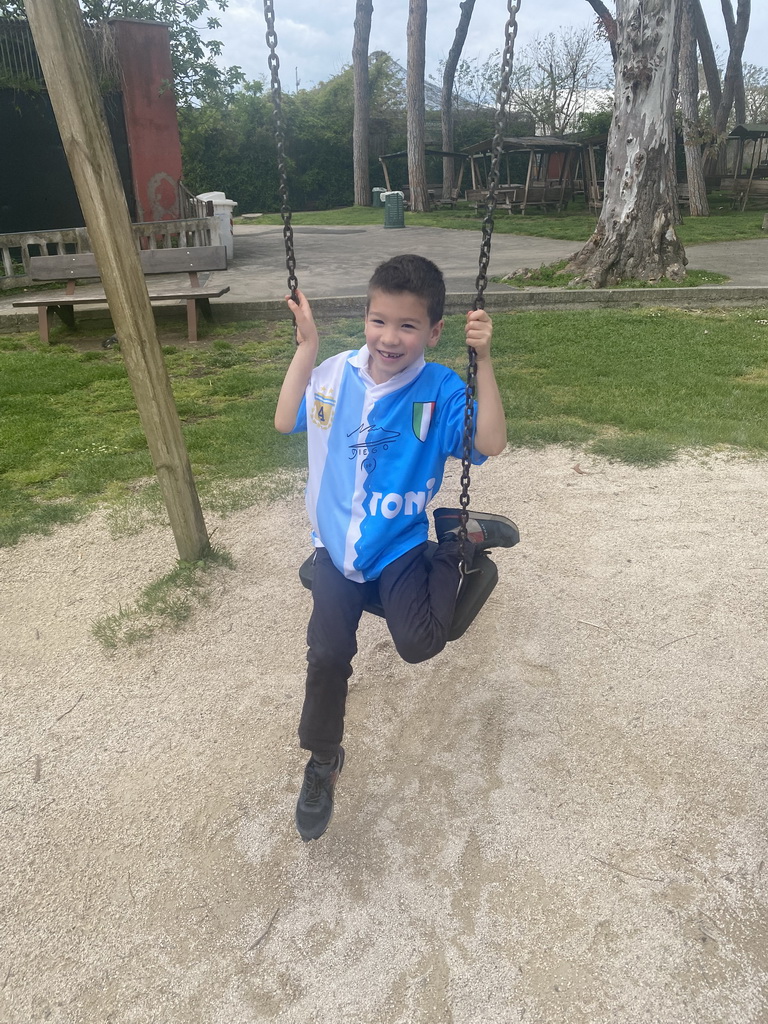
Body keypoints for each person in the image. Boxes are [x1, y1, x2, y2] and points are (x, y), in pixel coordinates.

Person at [274, 254, 518, 841]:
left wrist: (482, 360)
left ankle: (459, 540)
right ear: (365, 318)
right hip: (336, 550)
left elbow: (492, 441)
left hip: (404, 544)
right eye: (378, 321)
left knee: (422, 642)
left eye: (408, 326)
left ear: (434, 333)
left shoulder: (438, 387)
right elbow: (286, 421)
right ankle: (323, 759)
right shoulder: (333, 374)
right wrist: (306, 344)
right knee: (327, 654)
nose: (390, 337)